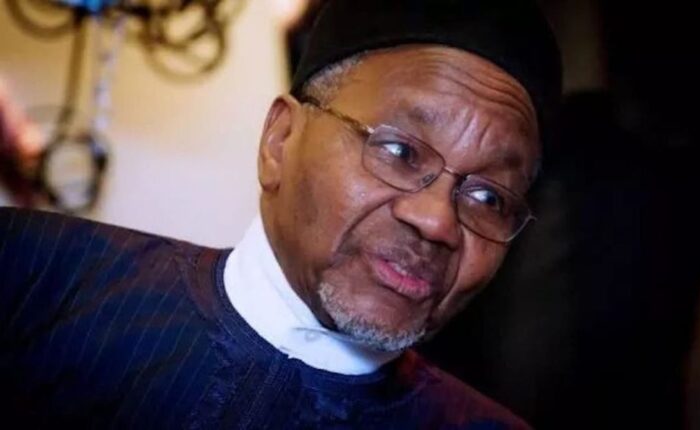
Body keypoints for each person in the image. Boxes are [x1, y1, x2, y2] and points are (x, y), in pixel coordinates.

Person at [0, 0, 561, 428]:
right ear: (280, 140)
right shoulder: (34, 278)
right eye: (399, 151)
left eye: (488, 198)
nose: (437, 222)